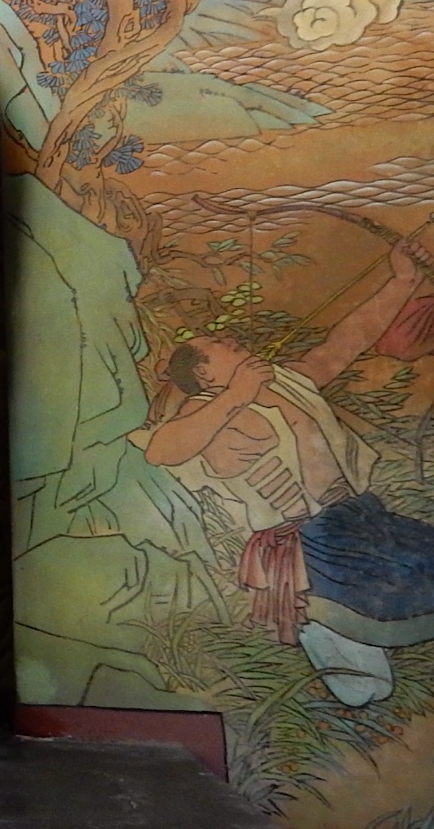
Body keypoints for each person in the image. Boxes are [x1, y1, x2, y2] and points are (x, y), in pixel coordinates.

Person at [141, 240, 434, 705]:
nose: (229, 340)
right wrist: (237, 394)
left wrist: (403, 279)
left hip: (355, 515)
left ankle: (344, 643)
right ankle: (335, 642)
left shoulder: (285, 380)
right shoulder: (208, 409)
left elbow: (347, 341)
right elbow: (161, 451)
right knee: (364, 643)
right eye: (216, 346)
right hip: (308, 538)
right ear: (204, 376)